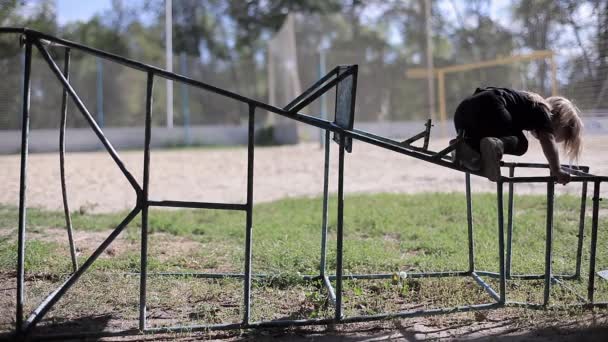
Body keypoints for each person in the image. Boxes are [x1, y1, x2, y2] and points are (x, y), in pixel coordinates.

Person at [451, 87, 583, 184]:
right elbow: (547, 139)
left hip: (463, 112)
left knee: (477, 158)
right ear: (558, 121)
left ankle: (464, 148)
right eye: (556, 136)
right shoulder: (543, 110)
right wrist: (556, 169)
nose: (554, 138)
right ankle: (497, 145)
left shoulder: (526, 103)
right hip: (492, 106)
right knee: (521, 144)